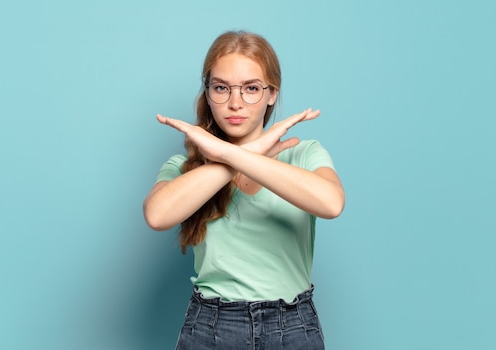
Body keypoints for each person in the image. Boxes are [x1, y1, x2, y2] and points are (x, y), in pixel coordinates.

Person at [143, 30, 345, 350]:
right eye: (221, 88)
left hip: (292, 328)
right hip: (210, 327)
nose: (235, 103)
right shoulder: (184, 166)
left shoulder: (303, 153)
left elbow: (331, 203)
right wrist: (240, 156)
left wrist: (230, 153)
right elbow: (157, 215)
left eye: (251, 88)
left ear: (271, 94)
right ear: (208, 93)